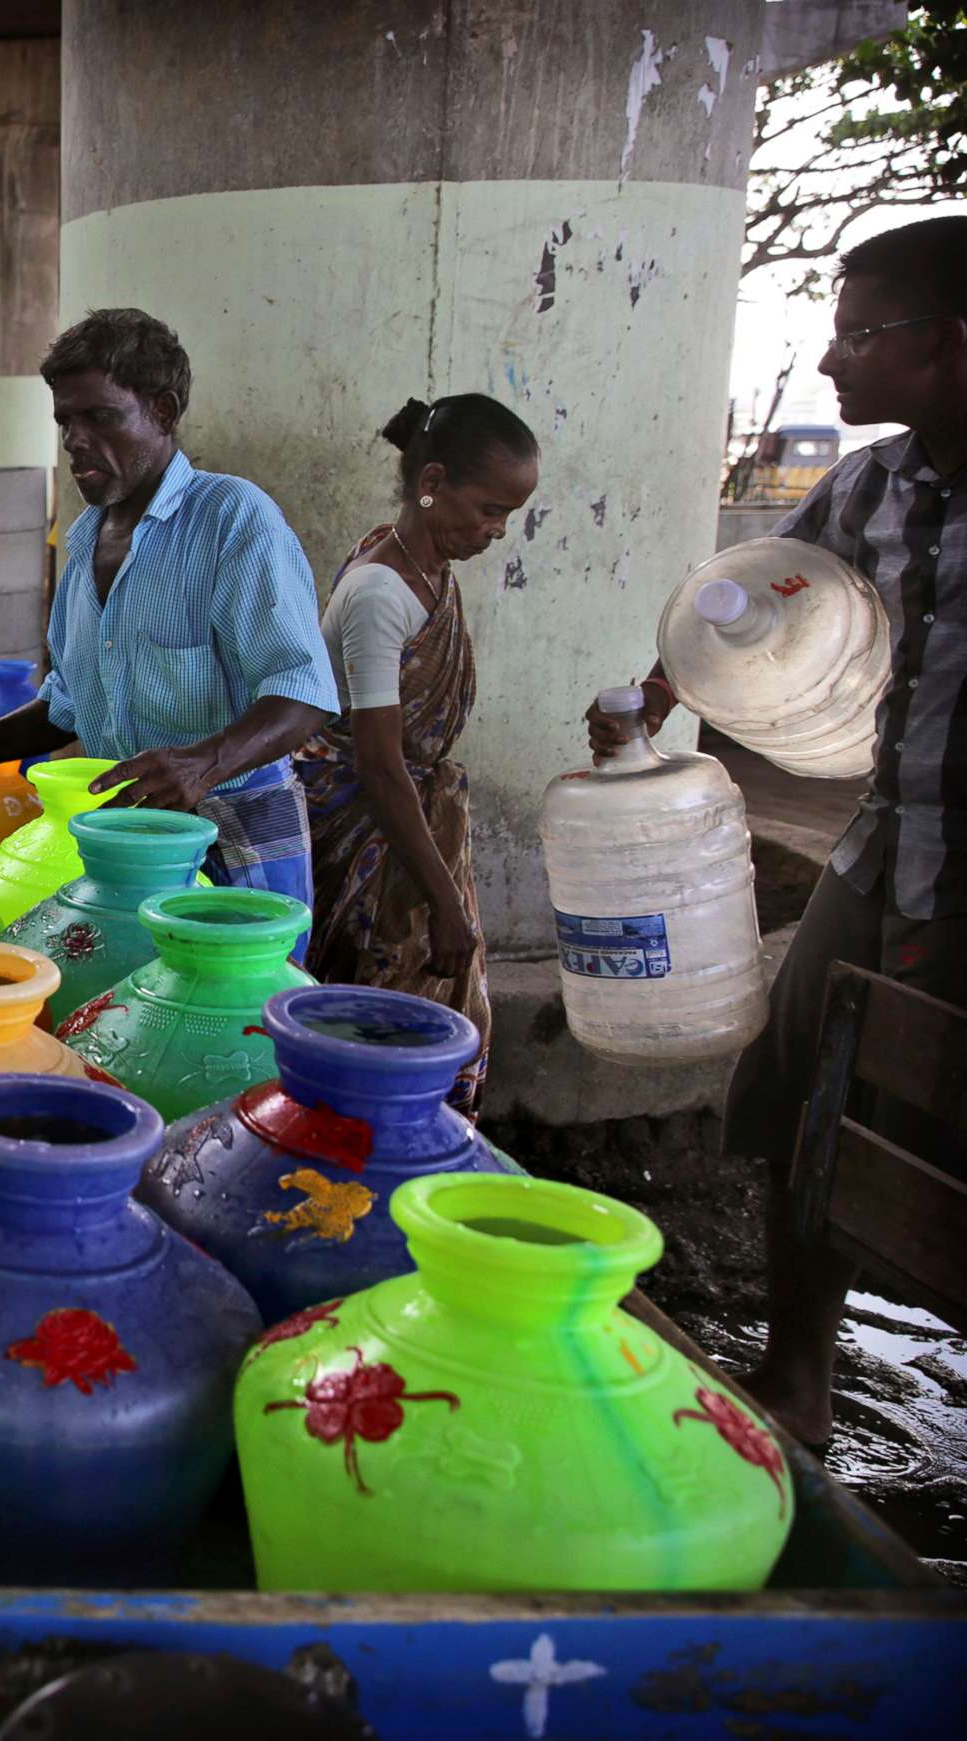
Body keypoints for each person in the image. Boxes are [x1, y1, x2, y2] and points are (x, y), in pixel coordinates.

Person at [590, 216, 967, 1446]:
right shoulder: (876, 482)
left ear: (951, 344)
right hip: (885, 844)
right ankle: (797, 1381)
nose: (831, 363)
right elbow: (758, 592)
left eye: (862, 336)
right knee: (800, 1089)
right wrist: (664, 688)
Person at [0, 308, 338, 943]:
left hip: (235, 837)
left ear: (161, 411)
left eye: (99, 417)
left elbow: (304, 692)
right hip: (126, 843)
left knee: (234, 1021)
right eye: (64, 422)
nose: (75, 439)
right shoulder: (84, 545)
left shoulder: (232, 520)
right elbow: (68, 709)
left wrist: (202, 764)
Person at [295, 395, 539, 1117]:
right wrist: (443, 900)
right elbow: (378, 765)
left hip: (407, 817)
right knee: (376, 1026)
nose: (495, 531)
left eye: (508, 517)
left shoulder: (428, 568)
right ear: (431, 480)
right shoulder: (380, 592)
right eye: (488, 509)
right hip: (367, 827)